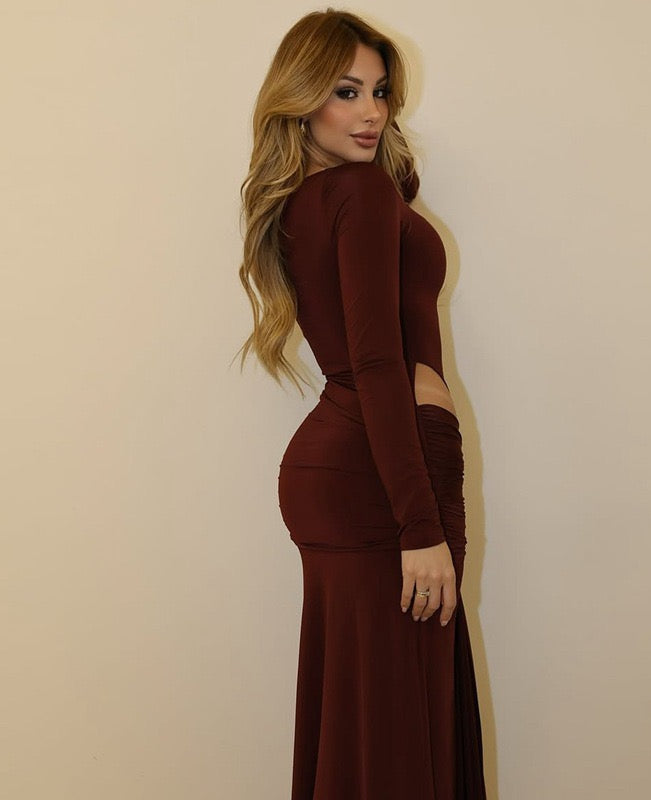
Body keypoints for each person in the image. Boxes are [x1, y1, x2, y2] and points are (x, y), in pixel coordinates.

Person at [236, 9, 487, 799]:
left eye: (380, 92)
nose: (371, 112)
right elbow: (377, 361)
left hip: (348, 470)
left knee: (371, 717)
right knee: (398, 721)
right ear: (301, 98)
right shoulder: (358, 194)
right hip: (380, 482)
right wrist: (419, 524)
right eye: (345, 92)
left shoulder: (317, 197)